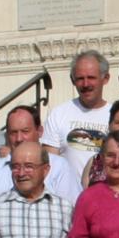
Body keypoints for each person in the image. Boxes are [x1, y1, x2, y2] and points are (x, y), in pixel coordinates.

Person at [0, 104, 83, 203]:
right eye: (13, 133)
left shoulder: (59, 167)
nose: (19, 139)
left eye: (25, 131)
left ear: (40, 131)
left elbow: (73, 210)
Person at [43, 49, 112, 179]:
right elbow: (50, 164)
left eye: (91, 77)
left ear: (105, 78)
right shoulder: (58, 114)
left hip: (105, 195)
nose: (86, 84)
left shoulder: (116, 116)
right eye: (80, 78)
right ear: (72, 80)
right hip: (68, 196)